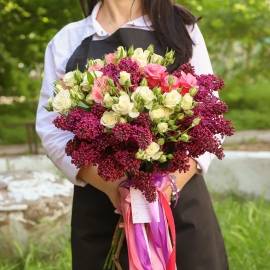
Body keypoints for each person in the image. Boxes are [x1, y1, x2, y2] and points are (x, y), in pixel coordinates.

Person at [36, 0, 229, 269]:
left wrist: (165, 187)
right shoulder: (68, 40)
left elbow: (211, 116)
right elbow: (51, 128)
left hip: (180, 202)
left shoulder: (182, 28)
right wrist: (114, 189)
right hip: (101, 204)